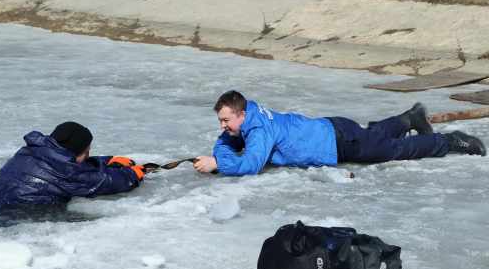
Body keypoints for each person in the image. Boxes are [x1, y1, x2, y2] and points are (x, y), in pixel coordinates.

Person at [194, 90, 486, 176]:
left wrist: (220, 163)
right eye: (220, 121)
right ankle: (410, 117)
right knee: (374, 136)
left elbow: (251, 164)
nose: (223, 127)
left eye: (226, 120)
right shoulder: (250, 114)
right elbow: (226, 140)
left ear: (241, 114)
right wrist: (222, 148)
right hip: (333, 130)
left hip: (337, 142)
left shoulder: (257, 129)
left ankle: (448, 141)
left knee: (391, 150)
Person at [0, 121, 145, 207]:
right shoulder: (67, 172)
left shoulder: (31, 151)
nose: (89, 154)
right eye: (87, 151)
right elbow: (103, 182)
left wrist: (106, 160)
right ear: (78, 151)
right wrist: (132, 174)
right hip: (23, 217)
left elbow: (72, 167)